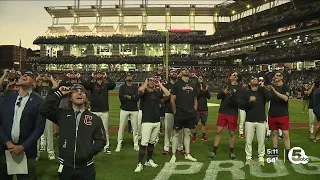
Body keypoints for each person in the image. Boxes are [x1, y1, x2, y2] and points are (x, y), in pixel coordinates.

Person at [39, 84, 106, 180]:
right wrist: (59, 93)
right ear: (70, 98)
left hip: (86, 167)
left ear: (86, 98)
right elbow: (43, 109)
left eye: (82, 92)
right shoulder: (62, 115)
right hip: (66, 166)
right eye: (75, 91)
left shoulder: (94, 119)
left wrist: (88, 152)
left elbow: (101, 140)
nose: (79, 93)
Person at [0, 71, 46, 180]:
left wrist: (23, 146)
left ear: (34, 83)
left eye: (29, 76)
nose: (24, 76)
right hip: (5, 149)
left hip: (27, 151)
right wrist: (7, 142)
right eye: (23, 75)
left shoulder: (39, 101)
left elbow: (39, 127)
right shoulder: (7, 97)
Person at [134, 77, 170, 172]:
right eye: (150, 80)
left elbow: (168, 94)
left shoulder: (157, 93)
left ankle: (149, 160)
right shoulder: (144, 92)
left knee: (152, 142)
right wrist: (146, 82)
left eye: (153, 81)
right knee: (144, 143)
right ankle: (140, 163)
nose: (152, 82)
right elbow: (140, 90)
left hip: (157, 121)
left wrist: (160, 84)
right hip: (147, 121)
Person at [209, 72, 243, 160]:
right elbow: (218, 97)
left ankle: (231, 152)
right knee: (218, 131)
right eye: (232, 74)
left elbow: (239, 102)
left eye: (235, 75)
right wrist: (223, 93)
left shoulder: (239, 88)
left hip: (232, 113)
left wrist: (231, 96)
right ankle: (214, 151)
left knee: (232, 132)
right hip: (223, 111)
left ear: (237, 78)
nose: (233, 75)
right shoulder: (225, 86)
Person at [239, 77, 271, 166]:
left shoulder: (262, 91)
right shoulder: (246, 93)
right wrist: (249, 101)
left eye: (256, 79)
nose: (255, 80)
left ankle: (261, 158)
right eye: (252, 79)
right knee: (248, 141)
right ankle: (248, 158)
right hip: (249, 119)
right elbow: (241, 105)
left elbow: (269, 97)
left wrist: (263, 87)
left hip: (261, 119)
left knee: (261, 141)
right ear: (249, 83)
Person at [170, 68, 198, 163]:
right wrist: (175, 112)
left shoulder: (193, 84)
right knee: (177, 134)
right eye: (184, 70)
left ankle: (187, 154)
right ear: (180, 73)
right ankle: (173, 155)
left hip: (190, 113)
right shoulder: (177, 84)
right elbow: (172, 99)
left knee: (187, 133)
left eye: (187, 70)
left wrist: (194, 110)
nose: (186, 71)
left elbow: (195, 99)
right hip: (180, 112)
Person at [86, 71, 116, 154]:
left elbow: (113, 85)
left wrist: (107, 77)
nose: (99, 75)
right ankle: (92, 145)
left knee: (105, 129)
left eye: (100, 74)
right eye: (97, 74)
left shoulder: (106, 84)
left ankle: (106, 146)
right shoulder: (92, 84)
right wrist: (91, 77)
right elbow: (86, 85)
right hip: (94, 110)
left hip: (104, 110)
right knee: (92, 129)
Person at [266, 72, 291, 159]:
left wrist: (273, 90)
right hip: (272, 114)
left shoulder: (285, 87)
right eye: (276, 75)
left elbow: (285, 98)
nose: (276, 77)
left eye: (279, 75)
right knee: (274, 133)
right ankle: (275, 153)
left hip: (283, 114)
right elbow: (267, 98)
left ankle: (288, 154)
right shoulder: (272, 87)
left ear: (282, 78)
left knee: (285, 133)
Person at [35, 73, 59, 161]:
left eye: (47, 75)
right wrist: (38, 78)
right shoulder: (37, 87)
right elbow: (33, 84)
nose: (45, 76)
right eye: (43, 75)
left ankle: (50, 152)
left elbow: (56, 86)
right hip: (38, 113)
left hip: (48, 113)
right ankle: (36, 153)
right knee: (36, 135)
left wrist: (51, 78)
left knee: (49, 134)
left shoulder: (50, 88)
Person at [162, 70, 184, 156]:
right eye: (172, 72)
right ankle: (166, 148)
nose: (174, 73)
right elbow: (163, 99)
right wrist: (169, 95)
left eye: (175, 72)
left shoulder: (180, 85)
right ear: (169, 75)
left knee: (179, 130)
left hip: (179, 110)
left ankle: (180, 147)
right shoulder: (166, 86)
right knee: (168, 130)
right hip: (169, 110)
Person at [116, 74, 140, 152]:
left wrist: (128, 97)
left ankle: (136, 144)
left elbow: (137, 98)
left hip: (134, 110)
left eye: (130, 76)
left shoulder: (135, 87)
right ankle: (119, 144)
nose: (129, 77)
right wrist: (131, 97)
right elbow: (121, 98)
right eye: (128, 76)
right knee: (121, 127)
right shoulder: (122, 87)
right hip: (124, 109)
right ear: (125, 79)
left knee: (135, 128)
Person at [192, 75, 210, 142]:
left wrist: (206, 91)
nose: (201, 79)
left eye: (202, 78)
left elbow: (208, 97)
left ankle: (203, 135)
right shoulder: (195, 86)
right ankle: (194, 135)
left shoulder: (205, 86)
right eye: (200, 78)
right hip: (197, 108)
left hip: (204, 108)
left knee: (204, 123)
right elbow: (195, 96)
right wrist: (201, 90)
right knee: (195, 123)